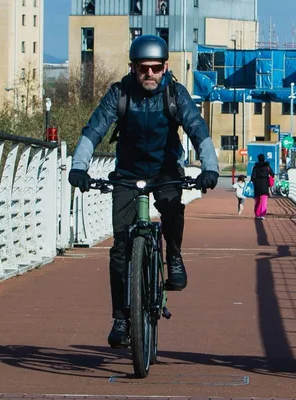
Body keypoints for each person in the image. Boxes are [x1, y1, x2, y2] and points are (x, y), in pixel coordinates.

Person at [67, 35, 220, 348]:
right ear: (133, 68)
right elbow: (94, 129)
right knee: (120, 247)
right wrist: (79, 167)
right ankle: (121, 318)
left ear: (165, 67)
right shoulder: (119, 94)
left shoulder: (175, 94)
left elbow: (197, 129)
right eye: (142, 68)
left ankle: (174, 256)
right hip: (127, 173)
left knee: (173, 208)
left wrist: (210, 168)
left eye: (155, 68)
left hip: (165, 171)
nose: (149, 74)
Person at [250, 153, 274, 219]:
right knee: (264, 201)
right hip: (265, 185)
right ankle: (262, 215)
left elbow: (253, 177)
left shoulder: (256, 167)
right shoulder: (267, 166)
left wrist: (254, 181)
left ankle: (257, 214)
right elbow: (272, 174)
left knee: (257, 201)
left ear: (258, 159)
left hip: (257, 185)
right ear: (264, 159)